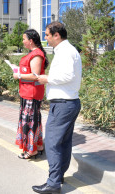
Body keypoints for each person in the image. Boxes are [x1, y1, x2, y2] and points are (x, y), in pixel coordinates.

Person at [32, 22, 82, 194]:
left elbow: (68, 75)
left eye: (47, 35)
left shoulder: (66, 52)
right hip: (68, 103)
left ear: (56, 35)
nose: (45, 38)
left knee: (52, 143)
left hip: (63, 104)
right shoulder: (67, 50)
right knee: (63, 142)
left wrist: (47, 79)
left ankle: (53, 183)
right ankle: (58, 176)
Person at [12, 29, 48, 159]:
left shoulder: (36, 54)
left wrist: (19, 75)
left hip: (31, 93)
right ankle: (38, 146)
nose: (23, 41)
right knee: (34, 120)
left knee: (30, 121)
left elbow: (35, 75)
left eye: (24, 39)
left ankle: (32, 150)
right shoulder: (34, 53)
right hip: (28, 92)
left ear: (31, 41)